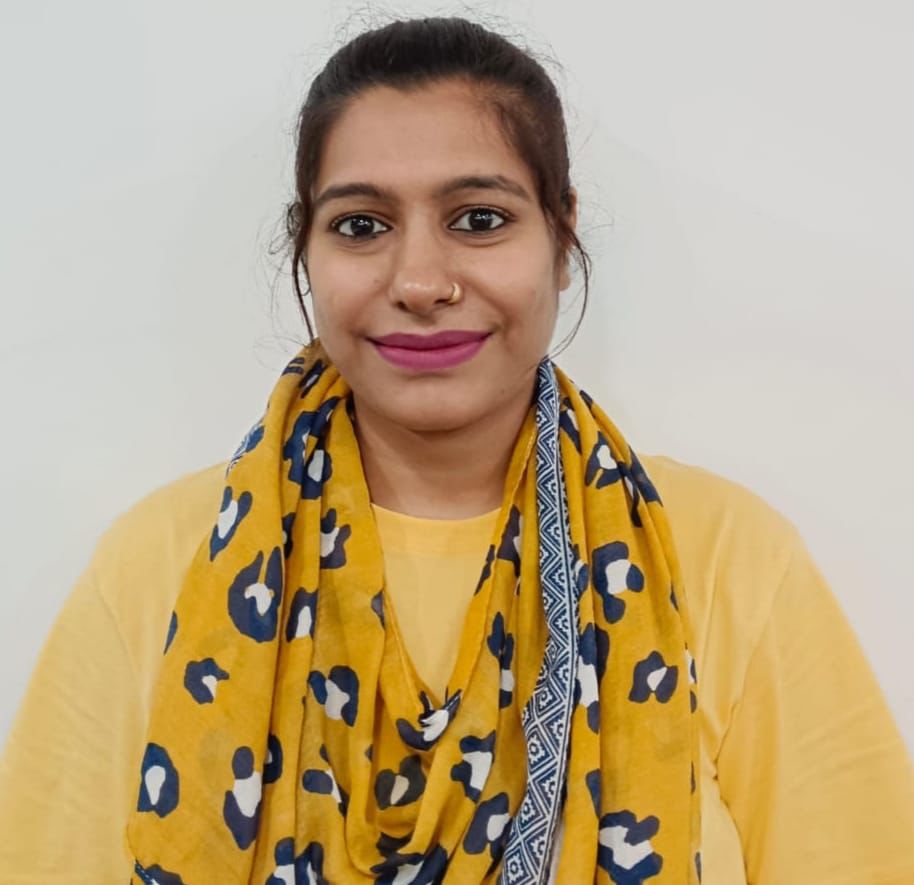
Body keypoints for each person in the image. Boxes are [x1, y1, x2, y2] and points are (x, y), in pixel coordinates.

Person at [1, 14, 913, 885]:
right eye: (362, 225)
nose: (421, 282)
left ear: (562, 238)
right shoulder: (162, 566)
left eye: (479, 218)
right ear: (304, 247)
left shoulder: (724, 562)